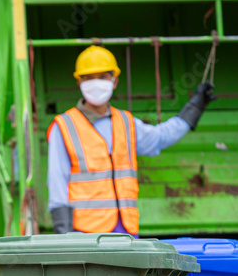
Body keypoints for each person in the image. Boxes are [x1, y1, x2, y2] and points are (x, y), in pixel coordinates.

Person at [47, 45, 215, 235]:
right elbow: (57, 180)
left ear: (115, 80)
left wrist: (195, 107)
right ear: (79, 82)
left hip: (125, 230)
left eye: (102, 77)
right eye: (89, 78)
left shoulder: (126, 123)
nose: (96, 83)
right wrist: (63, 232)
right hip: (84, 233)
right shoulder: (63, 126)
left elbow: (161, 137)